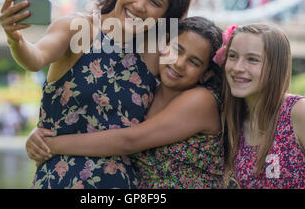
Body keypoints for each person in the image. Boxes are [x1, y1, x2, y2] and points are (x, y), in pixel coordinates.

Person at [0, 0, 192, 189]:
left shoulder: (157, 53)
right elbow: (35, 59)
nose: (140, 5)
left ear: (165, 14)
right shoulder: (77, 28)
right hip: (60, 181)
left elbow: (188, 86)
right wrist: (15, 39)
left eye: (155, 2)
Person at [26, 16, 225, 189]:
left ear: (206, 73)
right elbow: (98, 123)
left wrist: (50, 145)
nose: (179, 63)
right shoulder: (147, 92)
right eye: (176, 49)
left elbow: (130, 141)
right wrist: (42, 132)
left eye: (194, 62)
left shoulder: (202, 100)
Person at [219, 23, 305, 188]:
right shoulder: (232, 121)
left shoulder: (300, 112)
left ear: (275, 66)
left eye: (252, 59)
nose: (237, 67)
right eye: (233, 56)